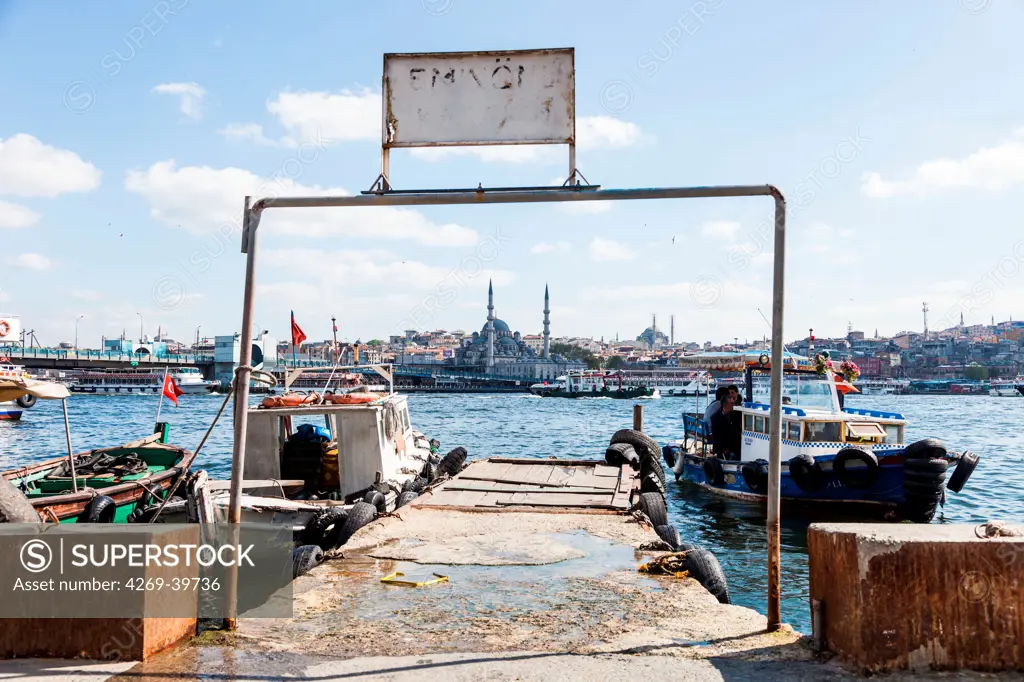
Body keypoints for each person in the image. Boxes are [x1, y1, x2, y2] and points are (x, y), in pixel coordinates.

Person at [711, 393, 742, 460]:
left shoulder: (736, 414)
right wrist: (724, 448)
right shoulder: (715, 418)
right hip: (722, 447)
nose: (734, 405)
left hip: (734, 444)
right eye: (731, 403)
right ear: (725, 405)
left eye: (734, 403)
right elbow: (717, 436)